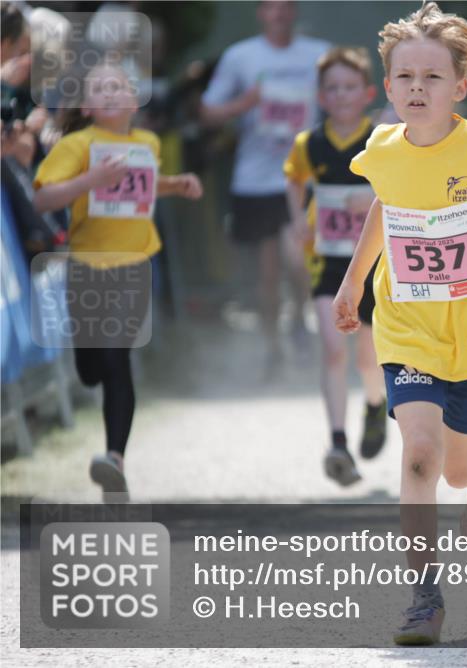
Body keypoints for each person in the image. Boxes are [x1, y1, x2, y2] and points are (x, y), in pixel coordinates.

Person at [332, 2, 467, 645]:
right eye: (404, 78)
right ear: (387, 86)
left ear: (459, 86)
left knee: (459, 471)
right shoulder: (382, 147)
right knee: (421, 454)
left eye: (432, 78)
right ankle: (424, 598)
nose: (417, 90)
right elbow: (385, 205)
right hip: (406, 328)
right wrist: (352, 283)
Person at [33, 62, 203, 501]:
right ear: (87, 105)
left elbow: (139, 187)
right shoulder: (78, 144)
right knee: (91, 369)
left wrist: (173, 185)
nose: (109, 93)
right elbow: (42, 197)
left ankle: (115, 460)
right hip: (88, 268)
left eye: (118, 86)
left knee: (116, 357)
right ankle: (99, 402)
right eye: (99, 88)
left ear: (134, 99)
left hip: (134, 265)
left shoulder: (145, 142)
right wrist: (91, 179)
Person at [200, 0, 331, 376]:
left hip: (302, 175)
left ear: (295, 11)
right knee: (268, 276)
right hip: (254, 179)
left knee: (298, 261)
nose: (279, 13)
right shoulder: (240, 57)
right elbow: (208, 112)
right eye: (272, 7)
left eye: (286, 6)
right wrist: (246, 102)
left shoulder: (318, 54)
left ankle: (299, 320)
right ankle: (273, 347)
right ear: (261, 12)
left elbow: (342, 97)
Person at [283, 47, 387, 486]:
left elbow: (403, 187)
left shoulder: (382, 140)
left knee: (368, 358)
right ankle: (338, 442)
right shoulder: (310, 143)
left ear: (366, 94)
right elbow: (294, 180)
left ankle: (376, 404)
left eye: (349, 87)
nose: (341, 96)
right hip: (327, 261)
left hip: (374, 265)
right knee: (331, 347)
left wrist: (373, 198)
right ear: (321, 97)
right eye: (332, 89)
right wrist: (296, 222)